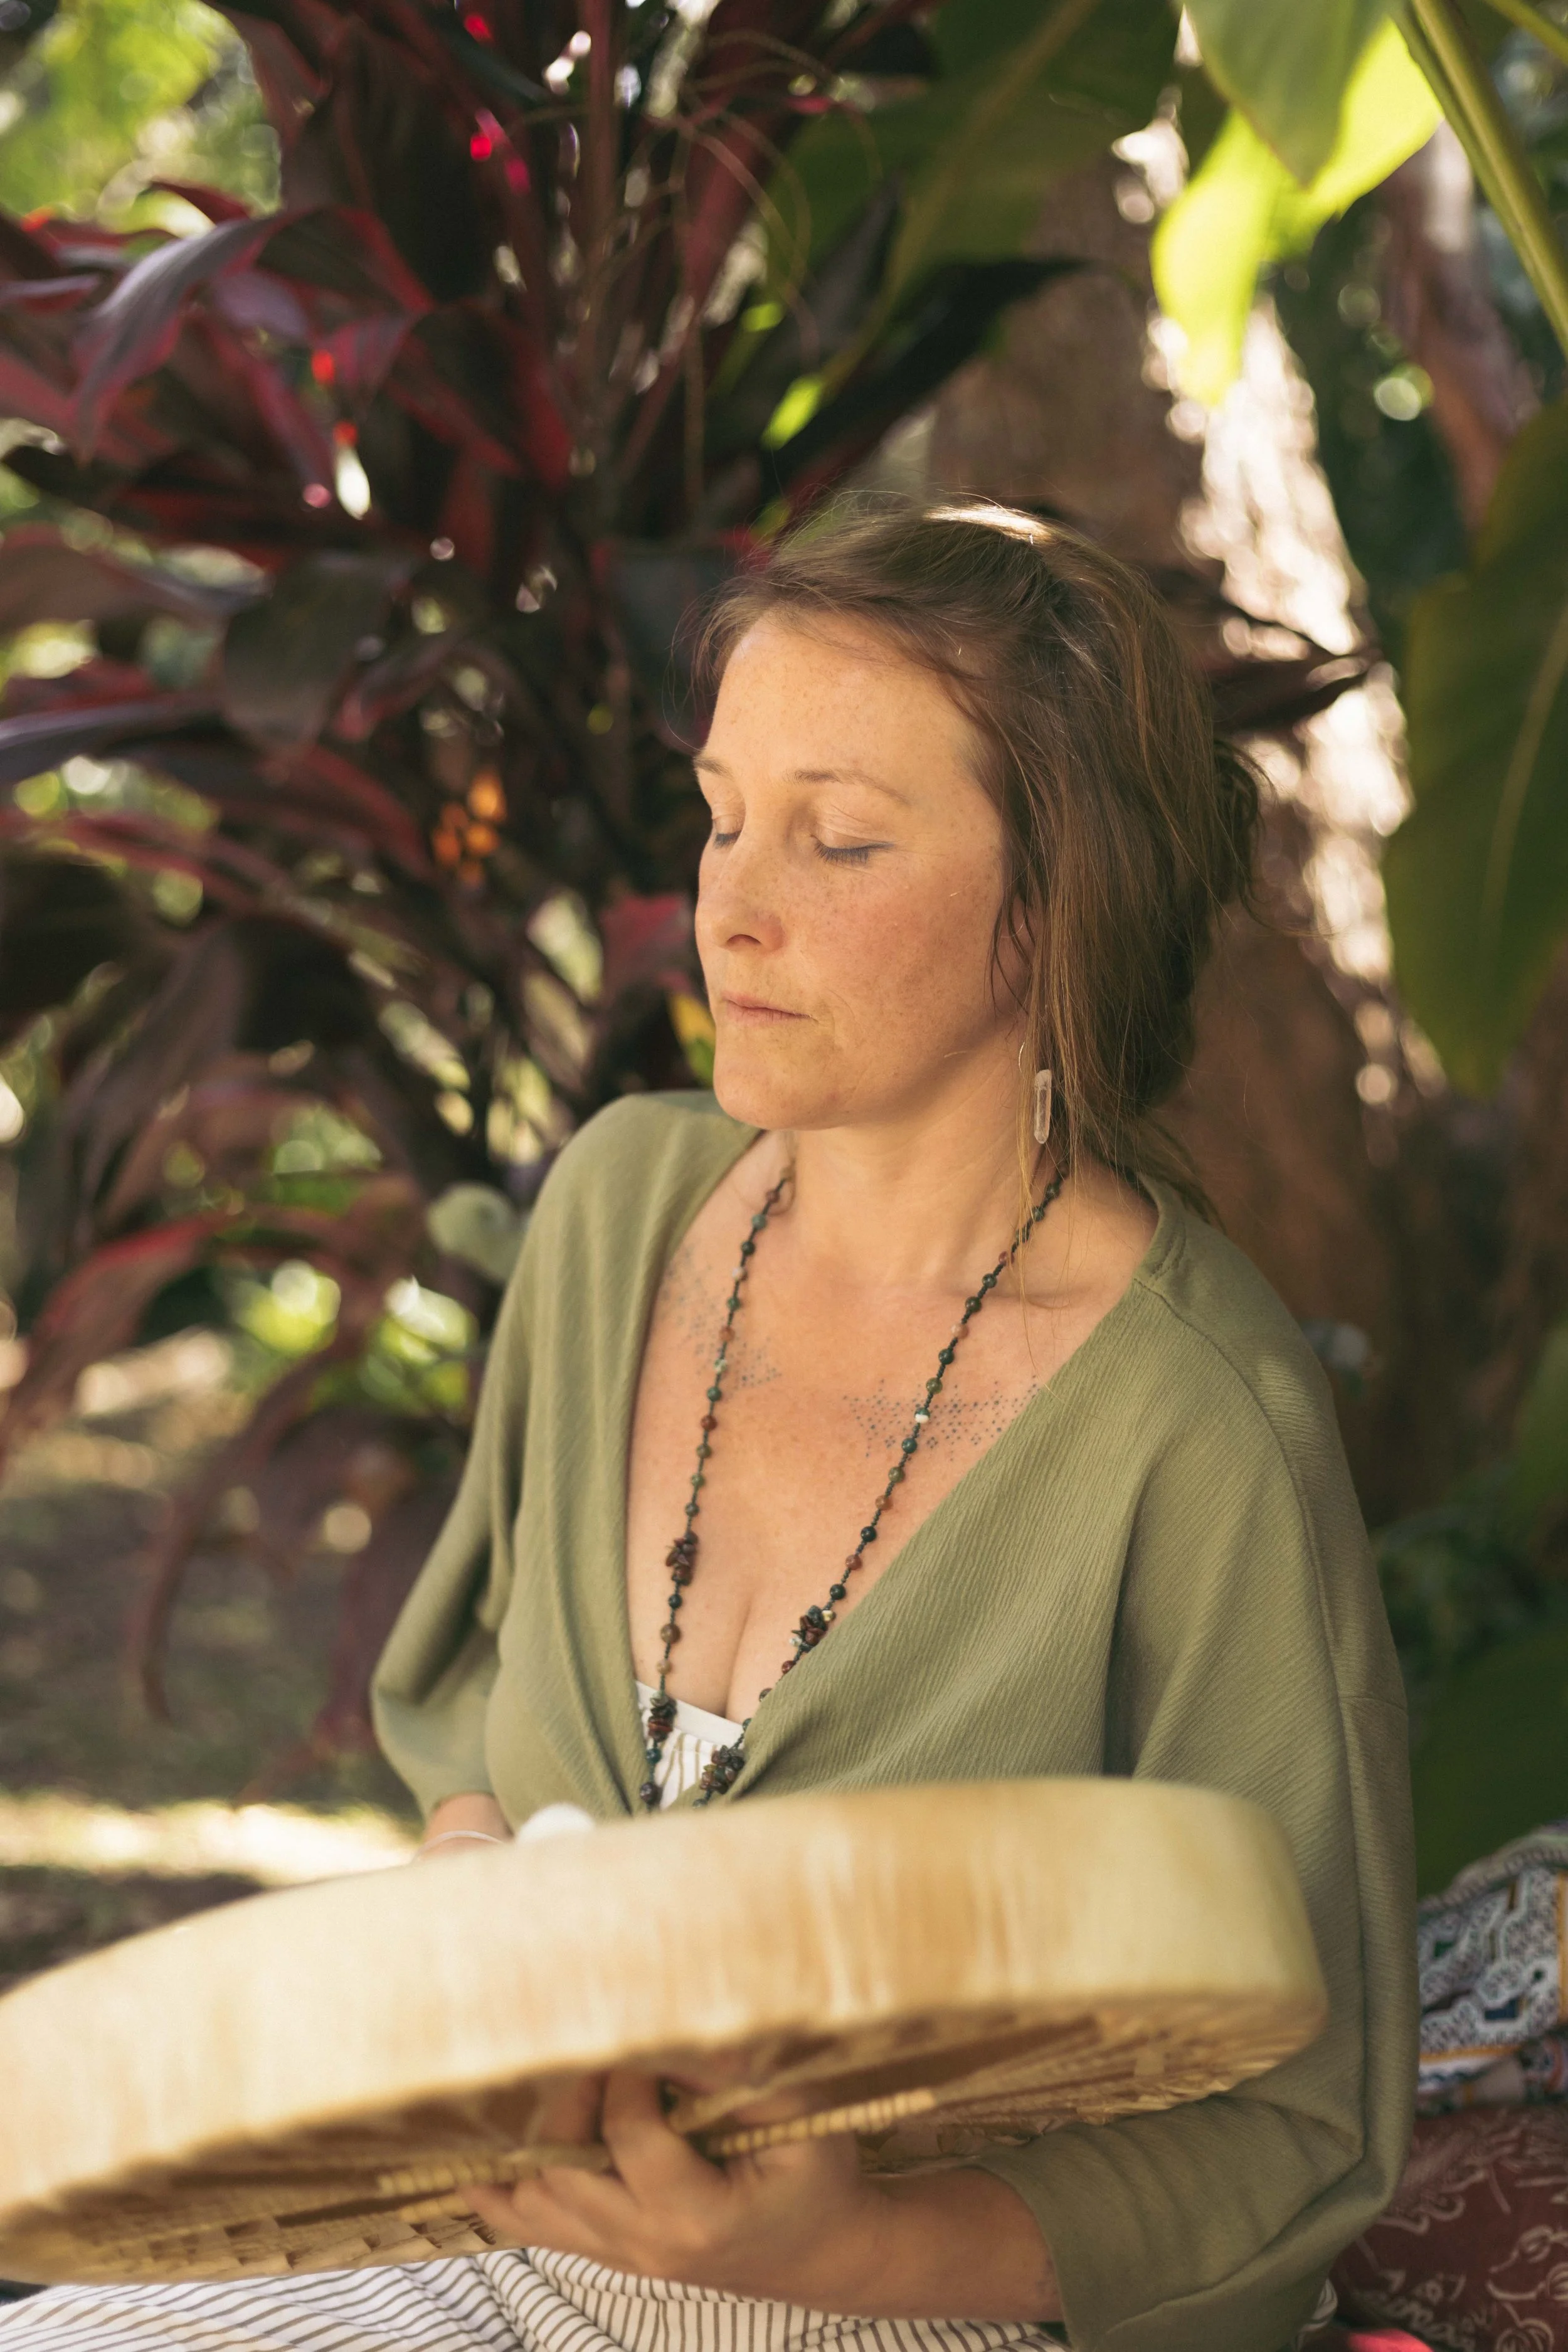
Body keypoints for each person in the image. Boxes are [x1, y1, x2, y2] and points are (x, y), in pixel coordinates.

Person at [1, 503, 1415, 2352]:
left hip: (913, 2308)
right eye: (723, 813)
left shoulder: (1197, 1418)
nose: (729, 906)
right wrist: (476, 1857)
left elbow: (1297, 2130)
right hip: (505, 2244)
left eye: (842, 838)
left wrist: (855, 2252)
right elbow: (484, 1688)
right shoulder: (620, 1205)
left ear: (1059, 899)